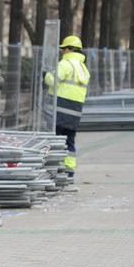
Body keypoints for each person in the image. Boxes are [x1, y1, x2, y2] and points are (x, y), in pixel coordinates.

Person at [45, 35, 90, 191]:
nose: (62, 51)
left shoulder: (66, 64)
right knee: (70, 142)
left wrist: (46, 74)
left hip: (59, 111)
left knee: (56, 141)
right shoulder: (83, 68)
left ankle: (56, 171)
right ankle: (69, 172)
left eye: (63, 48)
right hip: (74, 113)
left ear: (70, 49)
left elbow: (52, 81)